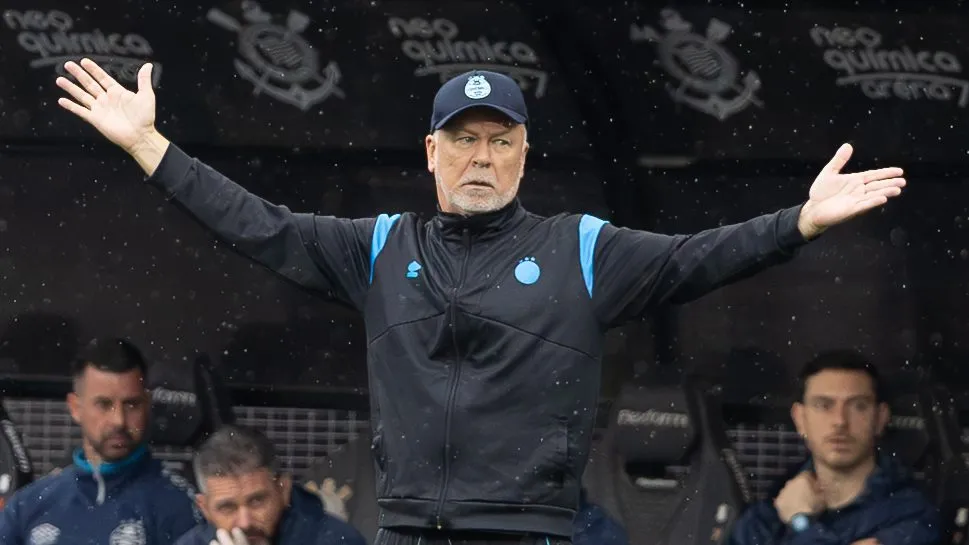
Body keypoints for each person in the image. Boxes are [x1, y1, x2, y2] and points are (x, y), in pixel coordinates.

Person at [54, 58, 906, 545]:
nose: (481, 158)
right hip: (407, 532)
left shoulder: (578, 248)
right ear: (431, 151)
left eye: (500, 142)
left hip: (530, 533)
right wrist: (149, 146)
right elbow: (260, 225)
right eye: (464, 141)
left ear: (524, 155)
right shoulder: (382, 245)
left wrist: (798, 220)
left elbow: (697, 259)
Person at [728, 351, 940, 545]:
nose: (839, 421)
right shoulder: (771, 510)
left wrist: (801, 523)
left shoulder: (911, 514)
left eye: (858, 406)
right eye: (824, 405)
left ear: (880, 418)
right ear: (800, 418)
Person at [0, 337, 200, 544]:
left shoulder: (180, 504)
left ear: (147, 404)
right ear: (75, 408)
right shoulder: (29, 504)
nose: (119, 421)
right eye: (104, 404)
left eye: (131, 404)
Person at [175, 425, 366, 545]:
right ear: (205, 508)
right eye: (227, 507)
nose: (245, 522)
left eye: (257, 501)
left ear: (283, 490)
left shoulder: (336, 540)